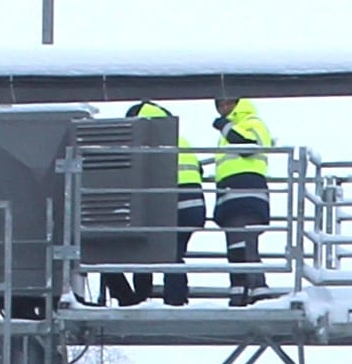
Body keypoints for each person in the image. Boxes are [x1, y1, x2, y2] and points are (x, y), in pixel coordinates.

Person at [96, 100, 195, 305]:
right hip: (193, 203)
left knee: (140, 252)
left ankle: (140, 300)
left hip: (168, 202)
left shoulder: (146, 139)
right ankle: (172, 300)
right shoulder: (179, 138)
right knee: (170, 254)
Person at [197, 97, 278, 302]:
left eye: (227, 103)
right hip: (231, 196)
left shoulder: (252, 122)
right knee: (236, 246)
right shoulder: (233, 129)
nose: (222, 108)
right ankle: (242, 292)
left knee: (245, 244)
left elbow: (248, 148)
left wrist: (225, 127)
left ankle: (256, 291)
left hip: (247, 193)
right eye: (219, 105)